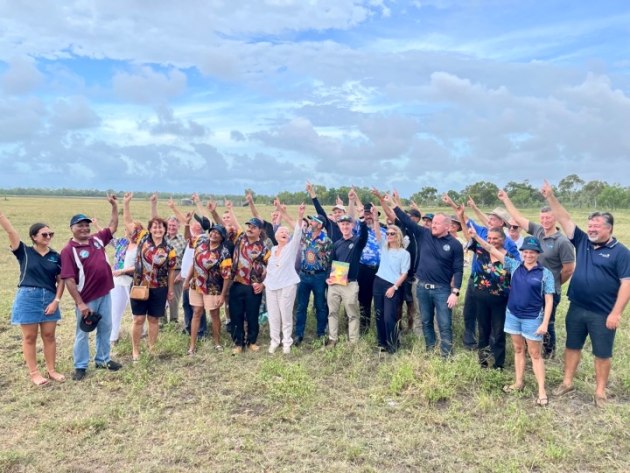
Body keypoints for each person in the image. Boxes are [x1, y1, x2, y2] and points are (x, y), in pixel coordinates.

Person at [541, 181, 630, 407]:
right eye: (590, 225)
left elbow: (626, 284)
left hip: (603, 313)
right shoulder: (583, 242)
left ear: (609, 228)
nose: (591, 229)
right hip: (577, 306)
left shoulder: (621, 253)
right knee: (572, 346)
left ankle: (600, 392)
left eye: (596, 226)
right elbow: (565, 219)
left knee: (602, 353)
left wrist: (616, 313)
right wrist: (551, 197)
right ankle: (567, 381)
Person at [470, 228, 554, 406]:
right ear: (521, 253)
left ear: (538, 254)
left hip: (532, 318)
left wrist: (545, 323)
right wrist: (475, 236)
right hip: (513, 315)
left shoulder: (545, 274)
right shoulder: (514, 265)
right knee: (518, 349)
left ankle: (541, 390)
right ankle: (518, 382)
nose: (528, 255)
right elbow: (490, 249)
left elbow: (549, 300)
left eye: (532, 252)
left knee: (535, 354)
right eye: (525, 252)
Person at [497, 190, 575, 359]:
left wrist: (553, 283)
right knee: (530, 319)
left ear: (555, 219)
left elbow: (569, 269)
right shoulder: (538, 231)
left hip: (548, 289)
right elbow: (518, 218)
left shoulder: (562, 242)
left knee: (547, 322)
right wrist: (506, 199)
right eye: (543, 218)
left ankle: (548, 354)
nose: (545, 221)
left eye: (549, 218)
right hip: (530, 287)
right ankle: (530, 351)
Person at [388, 193, 463, 357]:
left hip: (442, 290)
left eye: (437, 223)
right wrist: (393, 204)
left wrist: (455, 292)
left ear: (447, 227)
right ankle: (431, 349)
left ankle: (446, 355)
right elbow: (406, 220)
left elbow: (458, 270)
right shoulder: (424, 234)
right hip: (422, 287)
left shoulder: (455, 245)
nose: (433, 225)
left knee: (444, 324)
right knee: (426, 321)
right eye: (433, 222)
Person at [60, 195, 122, 381]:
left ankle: (103, 359)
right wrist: (80, 304)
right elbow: (69, 280)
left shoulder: (96, 240)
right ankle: (80, 366)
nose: (85, 228)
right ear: (72, 228)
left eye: (87, 225)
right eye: (80, 225)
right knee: (83, 332)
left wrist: (114, 205)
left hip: (105, 293)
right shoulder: (68, 250)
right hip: (87, 298)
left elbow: (112, 226)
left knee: (106, 326)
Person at [1, 209, 65, 385]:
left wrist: (56, 301)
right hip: (28, 297)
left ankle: (52, 370)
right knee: (30, 337)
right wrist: (1, 216)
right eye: (44, 234)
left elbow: (61, 281)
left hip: (50, 298)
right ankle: (34, 373)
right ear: (34, 237)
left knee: (49, 335)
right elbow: (11, 232)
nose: (48, 237)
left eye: (50, 234)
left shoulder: (55, 256)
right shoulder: (24, 252)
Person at [126, 193, 177, 361]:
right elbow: (129, 223)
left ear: (165, 229)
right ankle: (136, 351)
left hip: (159, 288)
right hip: (140, 286)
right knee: (139, 319)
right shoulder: (143, 239)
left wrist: (170, 290)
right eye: (154, 227)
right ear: (150, 229)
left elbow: (171, 271)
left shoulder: (169, 249)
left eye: (160, 227)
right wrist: (152, 204)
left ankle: (152, 348)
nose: (157, 229)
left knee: (154, 319)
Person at [225, 217, 270, 354]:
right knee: (236, 315)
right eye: (249, 226)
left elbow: (271, 268)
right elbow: (223, 225)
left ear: (260, 231)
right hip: (237, 283)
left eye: (253, 227)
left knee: (252, 315)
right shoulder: (239, 238)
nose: (250, 229)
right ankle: (238, 343)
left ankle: (252, 341)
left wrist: (263, 284)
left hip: (253, 287)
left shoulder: (264, 247)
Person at [184, 223, 232, 354]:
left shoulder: (224, 252)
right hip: (196, 285)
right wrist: (187, 280)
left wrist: (223, 295)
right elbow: (194, 264)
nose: (214, 234)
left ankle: (217, 343)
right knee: (196, 312)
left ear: (222, 237)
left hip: (213, 287)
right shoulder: (200, 245)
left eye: (218, 233)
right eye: (212, 231)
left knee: (214, 314)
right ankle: (192, 346)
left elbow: (227, 276)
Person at [265, 204, 305, 354]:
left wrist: (300, 216)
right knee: (274, 316)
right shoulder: (273, 249)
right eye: (282, 231)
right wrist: (265, 284)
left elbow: (298, 233)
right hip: (271, 287)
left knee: (286, 315)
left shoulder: (291, 247)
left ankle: (286, 341)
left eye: (287, 233)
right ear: (276, 236)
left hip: (287, 285)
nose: (284, 233)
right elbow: (270, 269)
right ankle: (274, 341)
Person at [370, 206, 410, 353]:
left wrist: (394, 287)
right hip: (378, 283)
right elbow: (377, 233)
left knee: (389, 317)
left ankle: (393, 344)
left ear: (398, 235)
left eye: (392, 233)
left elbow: (404, 273)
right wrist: (375, 218)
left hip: (392, 286)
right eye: (388, 233)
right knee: (379, 315)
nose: (389, 235)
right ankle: (382, 343)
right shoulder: (384, 247)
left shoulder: (404, 253)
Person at [326, 214, 368, 347]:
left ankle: (353, 341)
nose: (345, 226)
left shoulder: (357, 242)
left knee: (352, 314)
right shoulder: (337, 244)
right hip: (335, 283)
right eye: (342, 224)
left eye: (347, 224)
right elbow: (330, 262)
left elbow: (364, 237)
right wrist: (328, 277)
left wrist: (363, 222)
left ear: (352, 226)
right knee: (332, 312)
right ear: (339, 226)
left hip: (350, 284)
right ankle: (332, 338)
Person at [294, 212, 333, 346]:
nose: (311, 222)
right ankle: (298, 334)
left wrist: (327, 277)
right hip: (304, 275)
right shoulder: (305, 236)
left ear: (320, 225)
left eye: (314, 221)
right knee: (301, 306)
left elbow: (329, 262)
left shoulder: (327, 241)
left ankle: (320, 334)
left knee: (320, 306)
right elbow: (296, 227)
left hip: (319, 277)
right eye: (311, 220)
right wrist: (299, 215)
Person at [109, 222, 142, 344]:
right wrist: (96, 225)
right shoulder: (121, 242)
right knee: (115, 310)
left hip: (132, 281)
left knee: (136, 311)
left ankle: (140, 333)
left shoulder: (141, 245)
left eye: (133, 229)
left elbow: (140, 266)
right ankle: (113, 337)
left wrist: (122, 271)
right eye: (127, 228)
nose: (128, 231)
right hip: (117, 281)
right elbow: (107, 236)